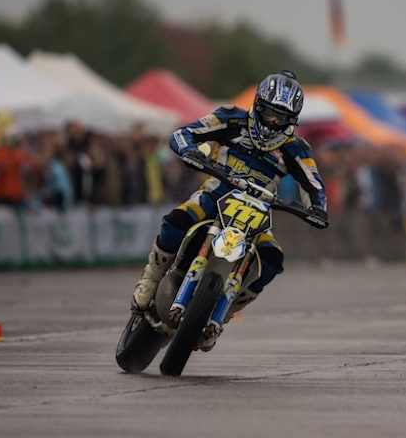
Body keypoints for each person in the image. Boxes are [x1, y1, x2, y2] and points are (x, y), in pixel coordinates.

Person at [132, 71, 329, 333]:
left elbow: (315, 185)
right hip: (216, 192)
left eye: (279, 117)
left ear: (291, 120)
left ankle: (226, 313)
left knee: (272, 259)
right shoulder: (230, 117)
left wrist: (317, 209)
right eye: (268, 112)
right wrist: (189, 150)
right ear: (257, 104)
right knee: (177, 220)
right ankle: (150, 280)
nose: (271, 122)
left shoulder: (297, 148)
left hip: (258, 211)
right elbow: (184, 134)